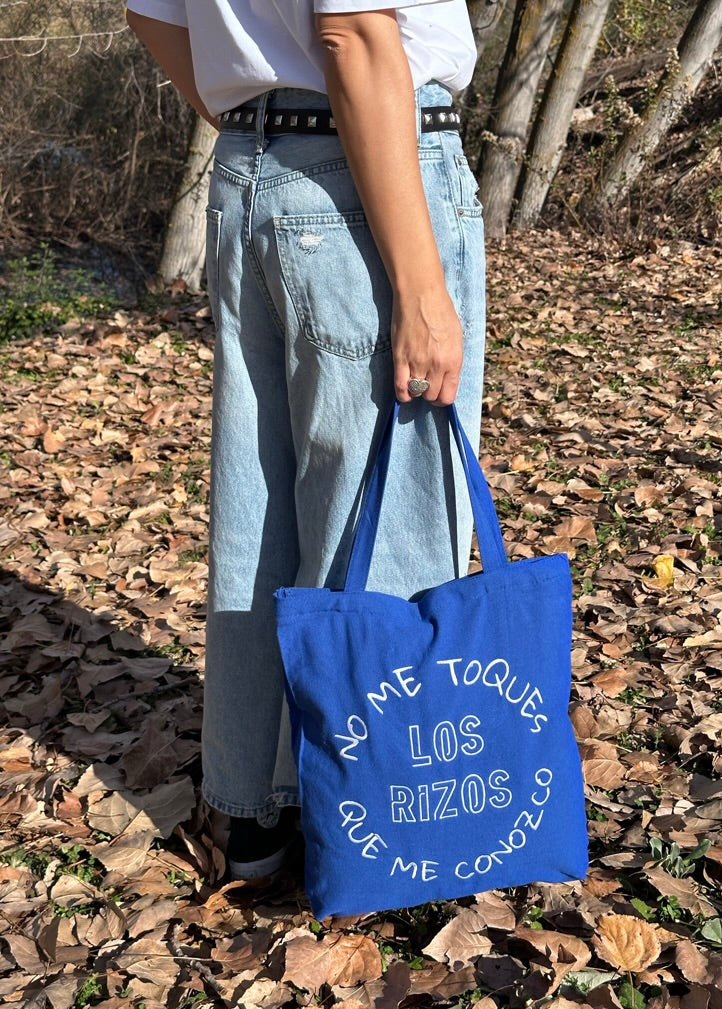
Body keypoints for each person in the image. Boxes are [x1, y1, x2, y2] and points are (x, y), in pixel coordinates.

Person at [125, 0, 486, 882]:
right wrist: (420, 281)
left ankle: (254, 813)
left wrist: (257, 116)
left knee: (261, 509)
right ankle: (387, 840)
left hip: (252, 169)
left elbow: (150, 14)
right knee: (393, 507)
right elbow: (354, 33)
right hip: (371, 172)